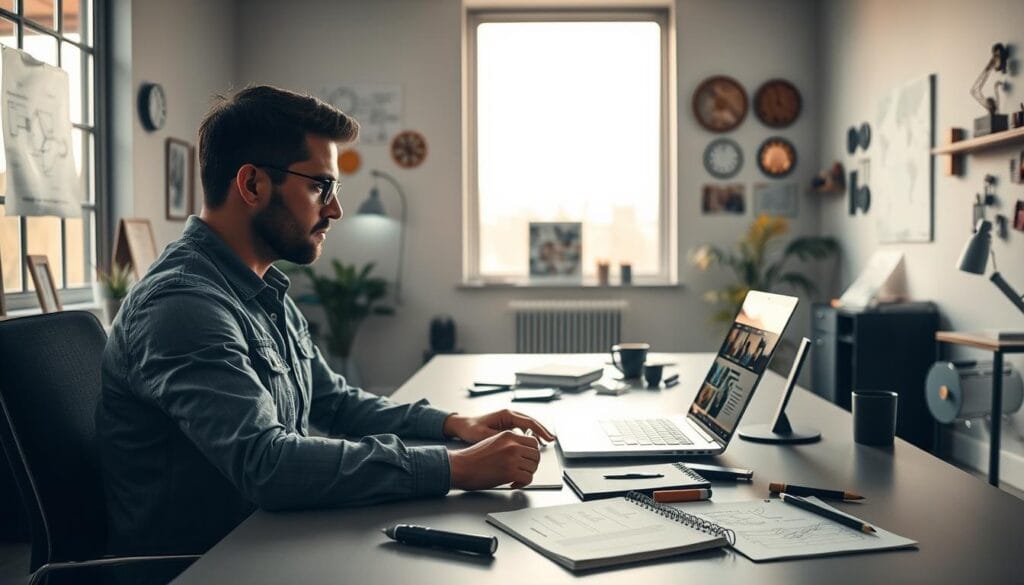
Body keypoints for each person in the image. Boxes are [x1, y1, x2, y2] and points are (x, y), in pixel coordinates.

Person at [96, 85, 556, 562]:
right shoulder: (182, 305)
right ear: (252, 185)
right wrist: (454, 468)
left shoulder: (262, 289)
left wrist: (457, 424)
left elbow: (335, 403)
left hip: (266, 540)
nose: (334, 209)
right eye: (320, 186)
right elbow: (267, 464)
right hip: (202, 566)